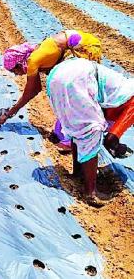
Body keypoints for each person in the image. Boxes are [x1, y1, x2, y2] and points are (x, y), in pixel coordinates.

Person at [46, 57, 133, 205]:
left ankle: (78, 174)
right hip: (77, 80)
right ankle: (90, 192)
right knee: (91, 132)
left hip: (57, 76)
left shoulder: (124, 88)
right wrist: (118, 147)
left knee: (78, 129)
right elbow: (110, 139)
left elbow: (107, 113)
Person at [0, 29, 102, 125]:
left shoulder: (33, 61)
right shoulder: (36, 54)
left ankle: (83, 123)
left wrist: (11, 112)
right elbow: (37, 88)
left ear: (19, 63)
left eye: (14, 71)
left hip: (85, 48)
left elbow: (31, 91)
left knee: (70, 88)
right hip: (84, 43)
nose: (17, 74)